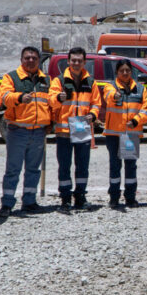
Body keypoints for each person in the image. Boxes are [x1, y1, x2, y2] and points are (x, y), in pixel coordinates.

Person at [0, 46, 52, 217]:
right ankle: (7, 203)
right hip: (18, 131)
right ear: (21, 60)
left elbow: (51, 103)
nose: (31, 60)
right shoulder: (11, 77)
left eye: (34, 58)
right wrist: (19, 97)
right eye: (27, 58)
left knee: (33, 170)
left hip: (38, 132)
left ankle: (29, 202)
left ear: (39, 60)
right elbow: (4, 97)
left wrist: (51, 122)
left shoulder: (46, 79)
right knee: (13, 169)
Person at [49, 47, 101, 209]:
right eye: (73, 60)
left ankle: (80, 196)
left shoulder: (91, 82)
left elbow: (96, 103)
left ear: (84, 62)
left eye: (79, 61)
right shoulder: (59, 81)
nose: (76, 63)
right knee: (64, 166)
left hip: (82, 128)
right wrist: (58, 98)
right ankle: (65, 198)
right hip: (64, 131)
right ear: (68, 61)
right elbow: (51, 101)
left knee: (82, 166)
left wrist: (92, 115)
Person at [100, 59, 147, 208]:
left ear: (131, 72)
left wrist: (136, 121)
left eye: (127, 70)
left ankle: (130, 197)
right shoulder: (111, 87)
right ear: (117, 72)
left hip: (131, 134)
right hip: (113, 134)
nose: (125, 73)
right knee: (115, 166)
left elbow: (146, 110)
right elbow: (108, 96)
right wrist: (114, 96)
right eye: (121, 70)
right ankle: (114, 197)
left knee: (131, 166)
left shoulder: (140, 89)